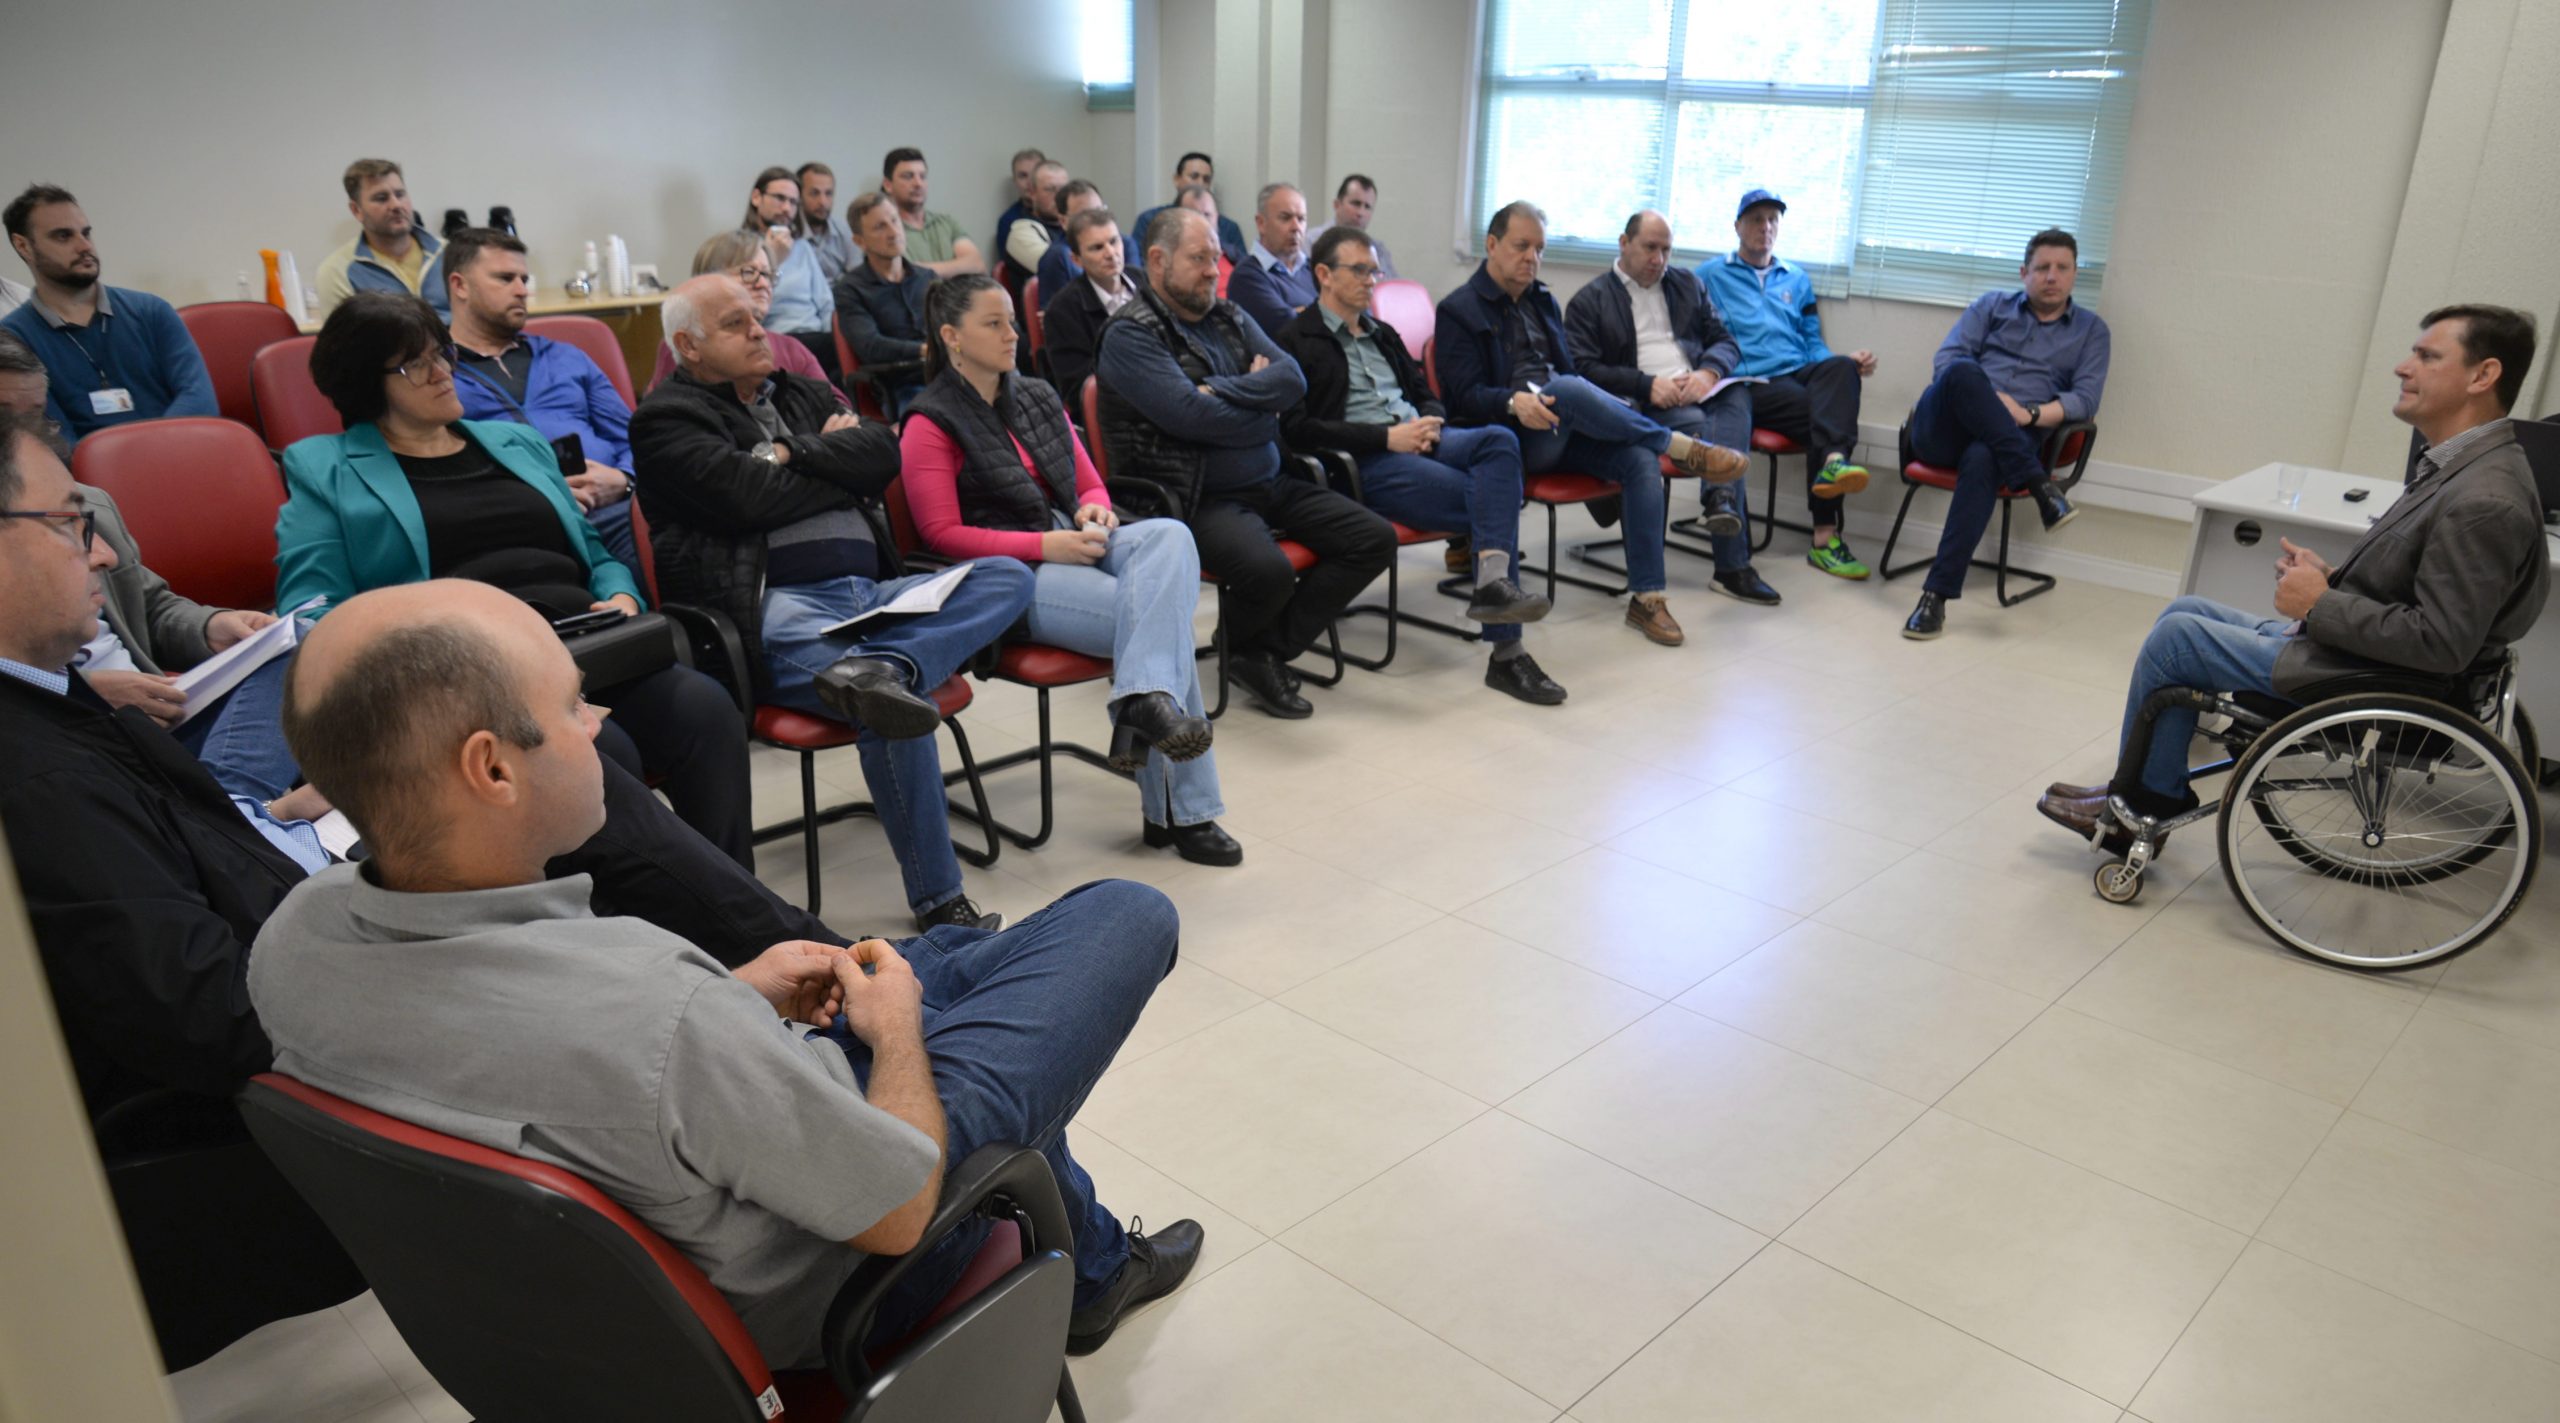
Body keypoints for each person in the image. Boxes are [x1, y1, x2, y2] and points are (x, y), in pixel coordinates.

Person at [245, 577, 1203, 1363]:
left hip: (615, 1287)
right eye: (572, 703)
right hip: (842, 1283)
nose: (600, 719)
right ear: (491, 769)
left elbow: (571, 1066)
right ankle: (1092, 1266)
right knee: (1122, 916)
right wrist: (895, 1033)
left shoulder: (294, 942)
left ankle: (1092, 1265)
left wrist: (733, 993)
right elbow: (900, 1209)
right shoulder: (656, 1008)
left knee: (945, 961)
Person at [274, 292, 755, 868]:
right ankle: (632, 915)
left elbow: (595, 554)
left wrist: (620, 594)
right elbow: (312, 609)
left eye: (442, 353)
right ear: (363, 382)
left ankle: (732, 895)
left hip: (590, 646)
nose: (443, 371)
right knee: (604, 752)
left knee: (706, 710)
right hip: (477, 677)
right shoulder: (325, 467)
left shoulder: (516, 444)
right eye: (415, 364)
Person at [2038, 305, 2546, 844]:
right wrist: (2330, 577)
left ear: (2482, 375)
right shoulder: (2464, 466)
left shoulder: (2483, 500)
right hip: (2369, 660)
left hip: (2381, 681)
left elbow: (2441, 642)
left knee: (2177, 642)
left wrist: (2320, 604)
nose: (2403, 367)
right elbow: (2423, 585)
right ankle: (2144, 788)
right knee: (2186, 610)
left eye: (2427, 356)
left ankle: (2139, 807)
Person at [631, 274, 1037, 930]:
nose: (759, 330)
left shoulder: (800, 390)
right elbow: (746, 497)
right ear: (690, 345)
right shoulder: (664, 420)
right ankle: (941, 903)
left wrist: (788, 453)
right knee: (888, 703)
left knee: (1006, 577)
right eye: (735, 324)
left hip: (875, 594)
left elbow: (880, 454)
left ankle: (887, 665)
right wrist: (835, 467)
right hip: (777, 608)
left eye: (755, 317)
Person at [904, 274, 1239, 865]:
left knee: (1171, 535)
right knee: (1158, 621)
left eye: (1013, 321)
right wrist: (1044, 544)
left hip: (1076, 537)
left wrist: (1095, 508)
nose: (1013, 334)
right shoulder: (929, 422)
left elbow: (1089, 481)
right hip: (1012, 575)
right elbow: (940, 534)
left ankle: (1142, 706)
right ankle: (1184, 812)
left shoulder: (1035, 395)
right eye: (994, 324)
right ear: (953, 337)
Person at [1097, 208, 1393, 719]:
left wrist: (1222, 391)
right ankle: (1253, 651)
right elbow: (1189, 416)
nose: (1213, 271)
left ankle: (1257, 651)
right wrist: (1260, 407)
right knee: (1268, 571)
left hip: (1269, 480)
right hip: (1193, 494)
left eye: (1216, 257)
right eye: (1199, 259)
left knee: (1373, 539)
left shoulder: (1227, 315)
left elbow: (1292, 379)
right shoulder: (1131, 335)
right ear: (1158, 261)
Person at [1436, 201, 1747, 647]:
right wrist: (1513, 403)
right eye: (1521, 247)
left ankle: (1648, 598)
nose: (1532, 258)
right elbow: (1462, 397)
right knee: (1568, 389)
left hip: (1564, 426)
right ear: (1491, 244)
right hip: (1512, 438)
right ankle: (1677, 446)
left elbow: (1572, 371)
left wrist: (1597, 410)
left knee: (1638, 458)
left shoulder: (1543, 300)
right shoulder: (1459, 310)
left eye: (1539, 249)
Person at [1279, 227, 1564, 706]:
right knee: (1495, 499)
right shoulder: (1296, 340)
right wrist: (1386, 437)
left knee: (1499, 439)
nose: (1371, 281)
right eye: (1359, 271)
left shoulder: (1382, 333)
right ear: (1324, 274)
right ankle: (1507, 654)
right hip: (1366, 461)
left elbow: (1426, 392)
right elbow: (1297, 430)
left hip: (1424, 438)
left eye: (1374, 271)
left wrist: (1430, 420)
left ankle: (1492, 583)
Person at [1900, 228, 2111, 641]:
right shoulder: (1991, 306)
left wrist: (2029, 413)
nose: (2052, 276)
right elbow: (1946, 363)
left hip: (2016, 432)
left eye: (2062, 268)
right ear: (2023, 272)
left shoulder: (2092, 331)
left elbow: (2085, 399)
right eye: (2042, 267)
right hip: (1944, 430)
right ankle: (2040, 485)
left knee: (1984, 457)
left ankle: (1934, 598)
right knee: (1962, 371)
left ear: (2074, 274)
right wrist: (1992, 402)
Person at [1566, 210, 1781, 606]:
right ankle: (1732, 564)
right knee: (1719, 436)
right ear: (1624, 243)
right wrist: (1646, 385)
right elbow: (1582, 370)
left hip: (1695, 390)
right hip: (1643, 405)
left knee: (1737, 395)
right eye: (1650, 248)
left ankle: (1720, 499)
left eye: (1666, 250)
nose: (1659, 259)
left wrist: (1708, 373)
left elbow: (1724, 341)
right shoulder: (1590, 301)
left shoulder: (1686, 284)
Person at [1697, 189, 1877, 580]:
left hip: (1797, 369)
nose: (1765, 227)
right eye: (1756, 219)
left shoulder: (1796, 277)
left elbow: (1812, 339)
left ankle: (1834, 462)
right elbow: (1690, 331)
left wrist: (1841, 363)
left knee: (1842, 370)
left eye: (1772, 220)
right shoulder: (1709, 274)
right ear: (1737, 226)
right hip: (1751, 379)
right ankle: (1826, 538)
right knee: (1824, 419)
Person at [441, 228, 642, 568]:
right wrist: (536, 498)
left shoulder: (567, 357)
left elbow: (636, 438)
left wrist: (624, 480)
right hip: (519, 526)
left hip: (613, 509)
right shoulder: (437, 374)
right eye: (505, 278)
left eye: (524, 279)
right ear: (460, 285)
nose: (522, 290)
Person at [3, 184, 216, 445]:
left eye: (86, 233)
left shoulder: (152, 311)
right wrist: (115, 463)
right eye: (63, 236)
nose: (84, 246)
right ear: (23, 246)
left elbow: (200, 399)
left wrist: (158, 453)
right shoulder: (14, 341)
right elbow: (53, 441)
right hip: (89, 470)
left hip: (184, 452)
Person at [649, 230, 845, 397]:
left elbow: (838, 406)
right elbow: (663, 416)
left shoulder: (791, 348)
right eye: (749, 272)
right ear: (708, 279)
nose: (763, 284)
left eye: (767, 274)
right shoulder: (688, 345)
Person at [831, 191, 936, 416]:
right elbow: (870, 346)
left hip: (945, 373)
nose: (893, 232)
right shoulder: (850, 289)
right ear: (859, 241)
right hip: (901, 385)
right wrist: (924, 350)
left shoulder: (927, 278)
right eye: (880, 227)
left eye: (895, 221)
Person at [313, 159, 449, 319]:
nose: (396, 205)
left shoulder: (449, 252)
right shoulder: (336, 272)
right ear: (356, 210)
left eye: (400, 194)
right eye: (381, 198)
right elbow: (342, 335)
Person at [1042, 208, 1140, 413]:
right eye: (1097, 248)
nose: (1111, 253)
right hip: (1119, 411)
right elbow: (1079, 392)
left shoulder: (1146, 282)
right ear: (1076, 260)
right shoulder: (1062, 311)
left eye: (1114, 241)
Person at [745, 166, 838, 375]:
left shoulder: (802, 247)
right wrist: (773, 259)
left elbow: (825, 303)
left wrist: (833, 337)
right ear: (757, 197)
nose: (787, 208)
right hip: (774, 338)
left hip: (816, 336)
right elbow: (749, 310)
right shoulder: (740, 249)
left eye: (794, 202)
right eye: (780, 198)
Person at [1225, 183, 1316, 342]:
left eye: (1301, 219)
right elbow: (1291, 328)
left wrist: (1305, 311)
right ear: (1261, 223)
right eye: (1285, 218)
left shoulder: (1314, 268)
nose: (1296, 227)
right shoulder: (1247, 276)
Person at [881, 147, 985, 278]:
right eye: (908, 176)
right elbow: (901, 277)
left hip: (962, 292)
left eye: (923, 176)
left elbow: (977, 264)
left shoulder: (946, 222)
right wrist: (958, 266)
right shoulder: (885, 231)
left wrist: (921, 269)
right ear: (888, 185)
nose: (918, 183)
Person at [1034, 181, 1145, 302]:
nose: (1110, 253)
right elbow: (1057, 309)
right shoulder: (1056, 257)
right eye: (1084, 216)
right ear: (1063, 221)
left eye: (1099, 211)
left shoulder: (1125, 244)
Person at [1132, 152, 1248, 264]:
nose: (1200, 183)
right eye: (1194, 176)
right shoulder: (1150, 220)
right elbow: (1139, 266)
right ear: (1176, 179)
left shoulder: (1229, 228)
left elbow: (1242, 268)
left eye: (1206, 179)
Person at [1002, 161, 1071, 283]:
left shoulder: (1072, 223)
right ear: (1032, 193)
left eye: (1064, 190)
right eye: (1050, 189)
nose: (1059, 197)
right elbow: (1061, 269)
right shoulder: (1021, 232)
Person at [795, 161, 858, 285]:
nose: (823, 202)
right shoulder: (788, 233)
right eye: (814, 193)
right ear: (798, 195)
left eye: (828, 194)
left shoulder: (843, 231)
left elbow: (858, 277)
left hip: (841, 295)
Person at [991, 147, 1048, 278]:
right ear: (1015, 181)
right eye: (1023, 176)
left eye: (1035, 173)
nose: (1030, 182)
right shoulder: (1009, 221)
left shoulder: (1062, 214)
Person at [1330, 174, 1394, 279]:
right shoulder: (1312, 242)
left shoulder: (1378, 249)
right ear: (1337, 205)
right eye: (1356, 203)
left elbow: (1391, 285)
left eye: (1367, 207)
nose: (1361, 213)